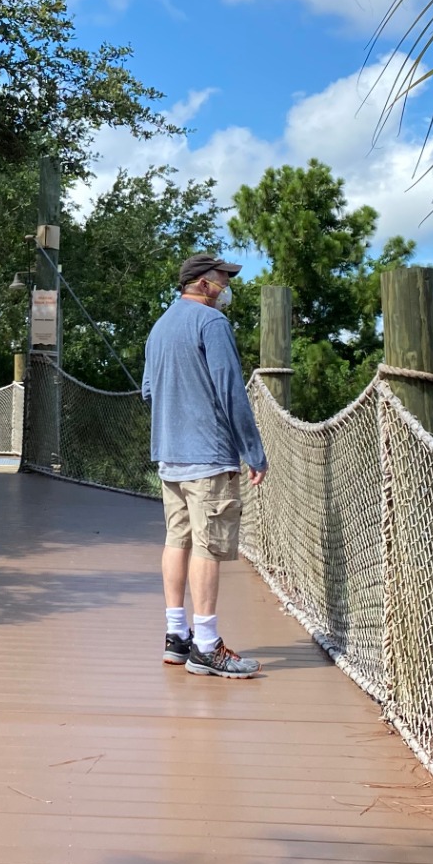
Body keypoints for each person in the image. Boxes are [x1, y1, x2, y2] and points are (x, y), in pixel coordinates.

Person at [141, 253, 269, 678]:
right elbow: (230, 389)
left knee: (176, 540)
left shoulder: (160, 327)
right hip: (208, 455)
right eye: (222, 279)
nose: (226, 287)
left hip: (169, 455)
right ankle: (207, 647)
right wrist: (253, 450)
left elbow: (148, 390)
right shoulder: (212, 323)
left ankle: (176, 637)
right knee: (208, 546)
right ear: (201, 283)